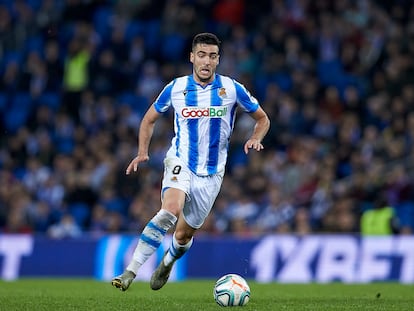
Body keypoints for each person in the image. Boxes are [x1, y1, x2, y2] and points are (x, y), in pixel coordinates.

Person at [111, 32, 270, 291]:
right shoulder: (175, 88)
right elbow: (149, 119)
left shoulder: (231, 89)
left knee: (183, 235)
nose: (207, 61)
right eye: (202, 55)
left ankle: (169, 260)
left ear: (218, 60)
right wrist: (142, 151)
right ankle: (131, 270)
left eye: (213, 56)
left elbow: (263, 119)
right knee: (169, 210)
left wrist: (255, 137)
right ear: (192, 57)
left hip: (212, 173)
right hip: (180, 160)